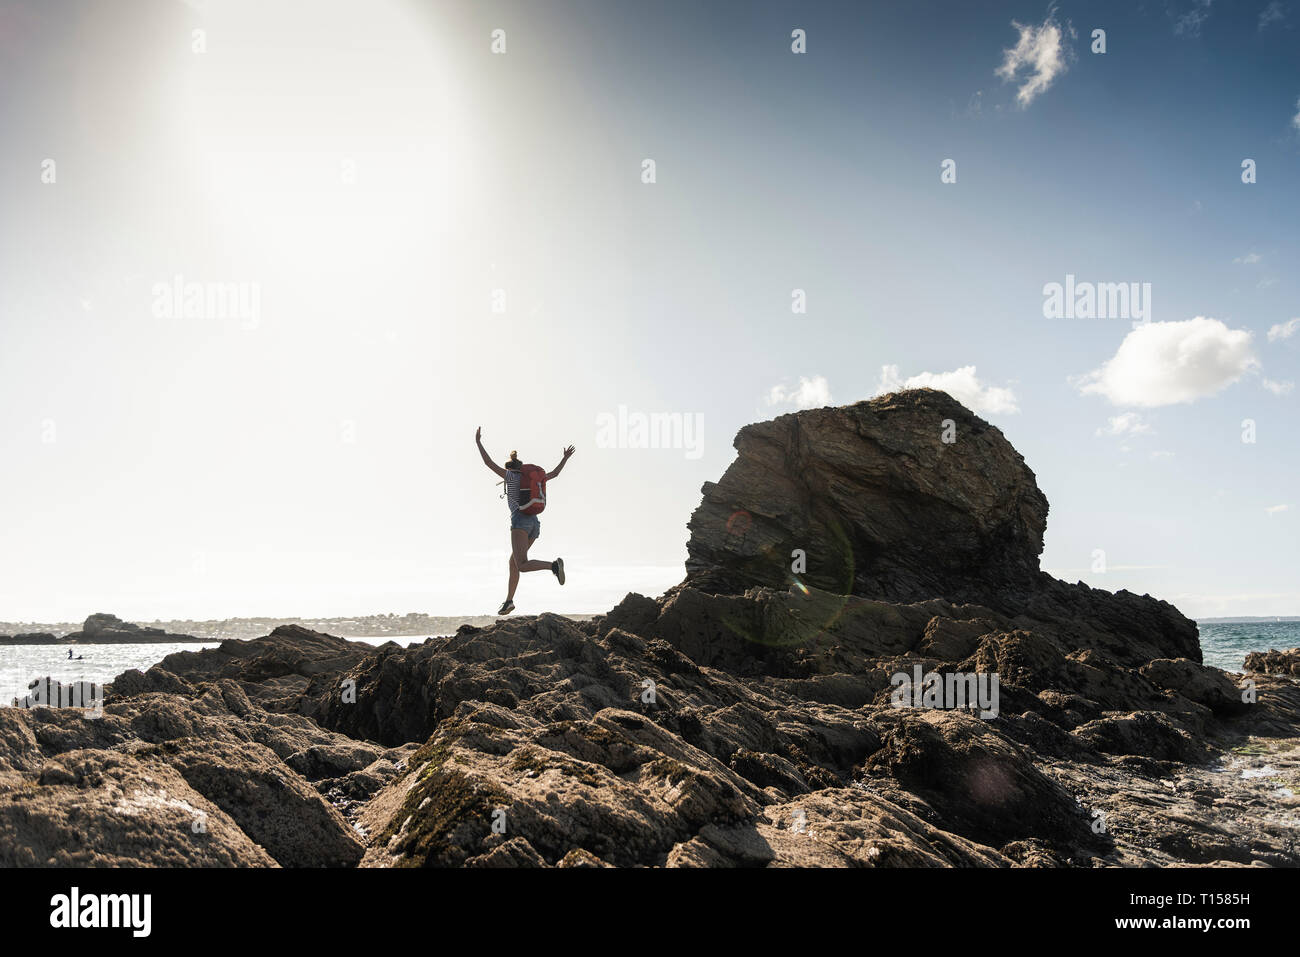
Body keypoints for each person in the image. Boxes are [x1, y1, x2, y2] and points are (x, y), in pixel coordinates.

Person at [476, 426, 574, 615]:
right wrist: (565, 458)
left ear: (510, 469)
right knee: (514, 563)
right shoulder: (531, 479)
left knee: (521, 564)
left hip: (520, 521)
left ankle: (553, 565)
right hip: (534, 523)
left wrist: (478, 442)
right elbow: (554, 474)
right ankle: (509, 601)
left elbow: (488, 462)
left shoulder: (510, 476)